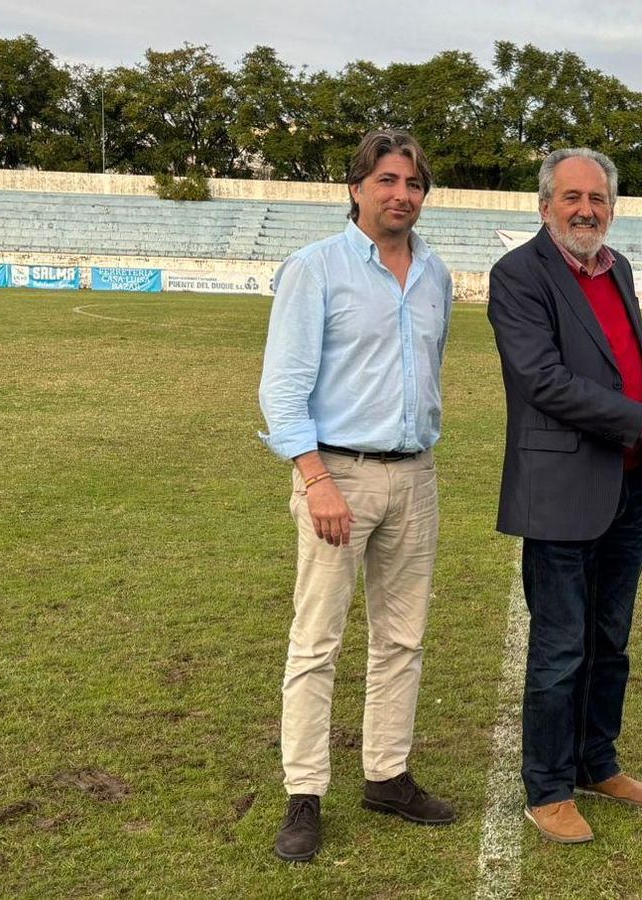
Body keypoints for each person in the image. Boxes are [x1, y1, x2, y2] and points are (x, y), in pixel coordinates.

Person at [486, 147, 642, 844]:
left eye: (599, 199)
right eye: (573, 197)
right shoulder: (518, 275)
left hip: (631, 486)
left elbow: (611, 364)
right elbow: (544, 380)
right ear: (545, 203)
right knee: (559, 648)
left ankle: (595, 761)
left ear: (612, 206)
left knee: (610, 642)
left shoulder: (620, 270)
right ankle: (547, 787)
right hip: (562, 493)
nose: (587, 210)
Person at [258, 129, 456, 863]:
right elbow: (282, 387)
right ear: (357, 187)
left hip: (415, 474)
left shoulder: (434, 272)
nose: (401, 194)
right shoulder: (316, 268)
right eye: (386, 180)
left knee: (401, 638)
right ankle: (304, 794)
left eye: (412, 182)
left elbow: (425, 371)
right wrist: (316, 478)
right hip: (335, 475)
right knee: (317, 642)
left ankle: (388, 774)